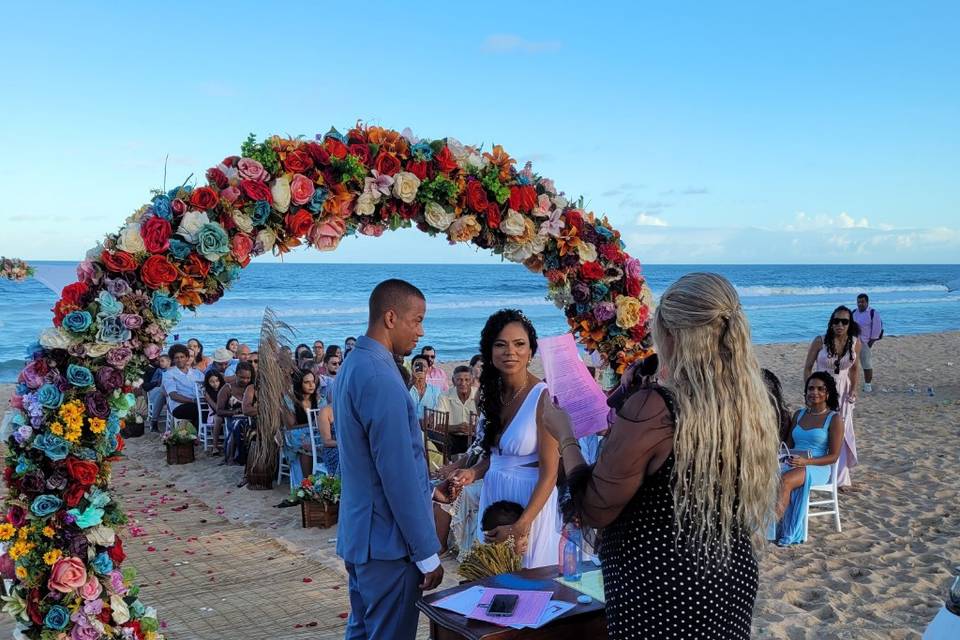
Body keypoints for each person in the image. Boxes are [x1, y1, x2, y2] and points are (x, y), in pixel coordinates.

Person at [546, 273, 779, 639]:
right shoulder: (748, 404)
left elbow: (592, 507)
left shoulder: (657, 408)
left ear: (671, 336)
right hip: (729, 576)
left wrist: (565, 436)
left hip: (661, 588)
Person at [335, 278, 443, 639]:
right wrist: (427, 552)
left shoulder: (354, 364)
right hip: (388, 543)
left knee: (363, 631)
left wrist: (430, 488)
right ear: (391, 317)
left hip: (361, 534)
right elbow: (396, 474)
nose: (421, 332)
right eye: (417, 320)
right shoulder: (381, 376)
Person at [449, 309, 561, 569]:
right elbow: (497, 456)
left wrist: (521, 526)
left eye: (519, 344)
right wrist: (473, 472)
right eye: (501, 345)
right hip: (494, 496)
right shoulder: (489, 395)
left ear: (531, 351)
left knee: (530, 582)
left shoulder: (544, 398)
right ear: (489, 351)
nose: (510, 352)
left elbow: (550, 474)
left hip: (530, 503)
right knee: (493, 575)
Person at [774, 372, 844, 545]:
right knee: (764, 476)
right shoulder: (799, 414)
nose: (815, 392)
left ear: (828, 393)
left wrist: (806, 462)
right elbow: (787, 446)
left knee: (785, 480)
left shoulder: (834, 419)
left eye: (821, 389)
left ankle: (770, 527)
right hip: (793, 462)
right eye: (811, 388)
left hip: (817, 467)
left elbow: (834, 457)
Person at [803, 305, 860, 488]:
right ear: (831, 322)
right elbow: (807, 367)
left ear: (849, 324)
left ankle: (841, 478)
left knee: (842, 432)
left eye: (844, 321)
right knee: (822, 430)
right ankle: (821, 471)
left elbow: (854, 369)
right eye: (836, 321)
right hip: (822, 389)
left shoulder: (855, 342)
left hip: (843, 391)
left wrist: (854, 389)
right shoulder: (820, 341)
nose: (840, 325)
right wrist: (809, 390)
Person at [283, 370, 320, 487]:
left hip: (315, 431)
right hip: (295, 433)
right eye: (307, 382)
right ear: (299, 383)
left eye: (313, 381)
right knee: (307, 445)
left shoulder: (319, 399)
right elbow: (290, 426)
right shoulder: (289, 400)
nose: (311, 385)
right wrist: (312, 424)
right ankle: (307, 483)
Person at [217, 362, 254, 464]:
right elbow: (219, 410)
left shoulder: (252, 388)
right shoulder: (227, 389)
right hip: (233, 419)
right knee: (238, 425)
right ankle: (239, 457)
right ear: (236, 374)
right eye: (242, 377)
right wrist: (233, 412)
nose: (245, 380)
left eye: (248, 378)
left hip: (249, 418)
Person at [162, 344, 204, 427]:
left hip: (199, 403)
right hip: (179, 406)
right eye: (176, 358)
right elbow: (173, 395)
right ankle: (198, 435)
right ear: (173, 360)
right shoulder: (169, 374)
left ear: (187, 358)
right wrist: (193, 400)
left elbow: (206, 386)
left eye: (182, 357)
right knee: (198, 409)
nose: (179, 360)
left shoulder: (197, 373)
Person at [439, 365, 477, 455]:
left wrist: (474, 428)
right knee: (433, 434)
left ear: (472, 381)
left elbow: (487, 424)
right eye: (459, 380)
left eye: (467, 380)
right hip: (452, 437)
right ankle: (449, 462)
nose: (463, 383)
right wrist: (457, 428)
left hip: (475, 437)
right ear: (453, 381)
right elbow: (438, 426)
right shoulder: (444, 396)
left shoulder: (479, 395)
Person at [852, 293, 883, 392]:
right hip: (853, 342)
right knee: (851, 364)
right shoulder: (854, 313)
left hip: (865, 343)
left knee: (866, 364)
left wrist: (870, 343)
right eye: (858, 302)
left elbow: (877, 329)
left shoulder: (873, 313)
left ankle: (867, 385)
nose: (860, 304)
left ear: (867, 302)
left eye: (862, 302)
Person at [409, 355, 443, 426]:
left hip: (428, 430)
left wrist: (431, 419)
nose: (420, 369)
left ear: (428, 369)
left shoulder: (436, 391)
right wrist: (412, 382)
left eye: (423, 366)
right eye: (417, 365)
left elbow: (439, 411)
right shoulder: (406, 388)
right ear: (412, 368)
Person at [143, 354, 171, 432]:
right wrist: (157, 383)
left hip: (168, 394)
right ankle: (154, 421)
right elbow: (153, 384)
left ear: (169, 361)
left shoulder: (173, 370)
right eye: (160, 361)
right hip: (155, 391)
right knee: (161, 389)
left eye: (162, 361)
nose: (160, 363)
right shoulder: (158, 370)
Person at [202, 370, 225, 452]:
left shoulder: (224, 389)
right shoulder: (207, 393)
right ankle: (215, 447)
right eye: (212, 382)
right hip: (214, 414)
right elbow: (216, 408)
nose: (215, 384)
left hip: (226, 412)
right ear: (208, 383)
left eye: (217, 381)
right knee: (218, 419)